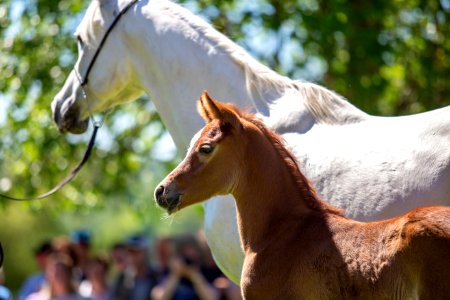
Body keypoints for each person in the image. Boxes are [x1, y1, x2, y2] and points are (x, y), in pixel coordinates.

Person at [151, 235, 220, 300]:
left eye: (192, 250)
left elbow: (213, 298)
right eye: (184, 251)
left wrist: (195, 276)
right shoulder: (168, 272)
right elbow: (159, 297)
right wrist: (175, 274)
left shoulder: (206, 271)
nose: (188, 255)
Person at [110, 235, 158, 300]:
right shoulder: (122, 278)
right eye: (130, 252)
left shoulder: (157, 276)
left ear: (145, 252)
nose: (133, 256)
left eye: (136, 252)